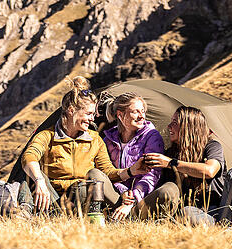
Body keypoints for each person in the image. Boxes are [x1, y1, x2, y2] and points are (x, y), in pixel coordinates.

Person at [19, 77, 147, 215]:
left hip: (80, 197)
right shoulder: (47, 136)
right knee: (28, 178)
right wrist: (39, 181)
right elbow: (29, 155)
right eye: (89, 114)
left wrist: (130, 171)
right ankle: (26, 214)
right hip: (53, 198)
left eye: (93, 114)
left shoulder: (94, 139)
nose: (92, 119)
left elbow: (107, 172)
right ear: (71, 110)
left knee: (88, 182)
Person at [144, 106, 232, 227]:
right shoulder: (170, 153)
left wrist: (172, 163)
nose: (169, 126)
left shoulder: (211, 146)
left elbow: (210, 171)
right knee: (186, 212)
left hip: (223, 210)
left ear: (188, 127)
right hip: (200, 215)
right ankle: (221, 229)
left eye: (174, 122)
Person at [100, 92, 165, 221]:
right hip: (117, 196)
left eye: (143, 111)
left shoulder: (151, 137)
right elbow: (106, 172)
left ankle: (130, 216)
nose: (142, 116)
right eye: (135, 112)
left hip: (142, 198)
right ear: (120, 115)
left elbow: (152, 175)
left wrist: (132, 198)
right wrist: (123, 192)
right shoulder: (108, 140)